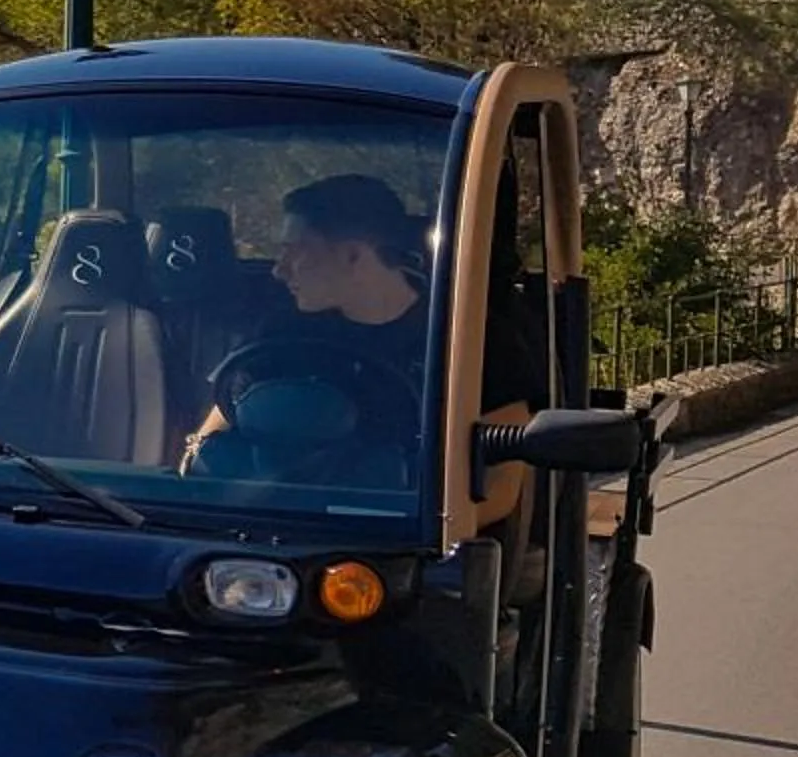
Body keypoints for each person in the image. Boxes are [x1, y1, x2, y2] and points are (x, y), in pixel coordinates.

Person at [182, 172, 537, 524]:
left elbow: (502, 489)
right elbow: (216, 430)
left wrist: (414, 525)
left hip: (405, 549)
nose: (279, 270)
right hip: (275, 530)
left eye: (294, 251)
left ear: (353, 255)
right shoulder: (281, 332)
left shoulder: (471, 339)